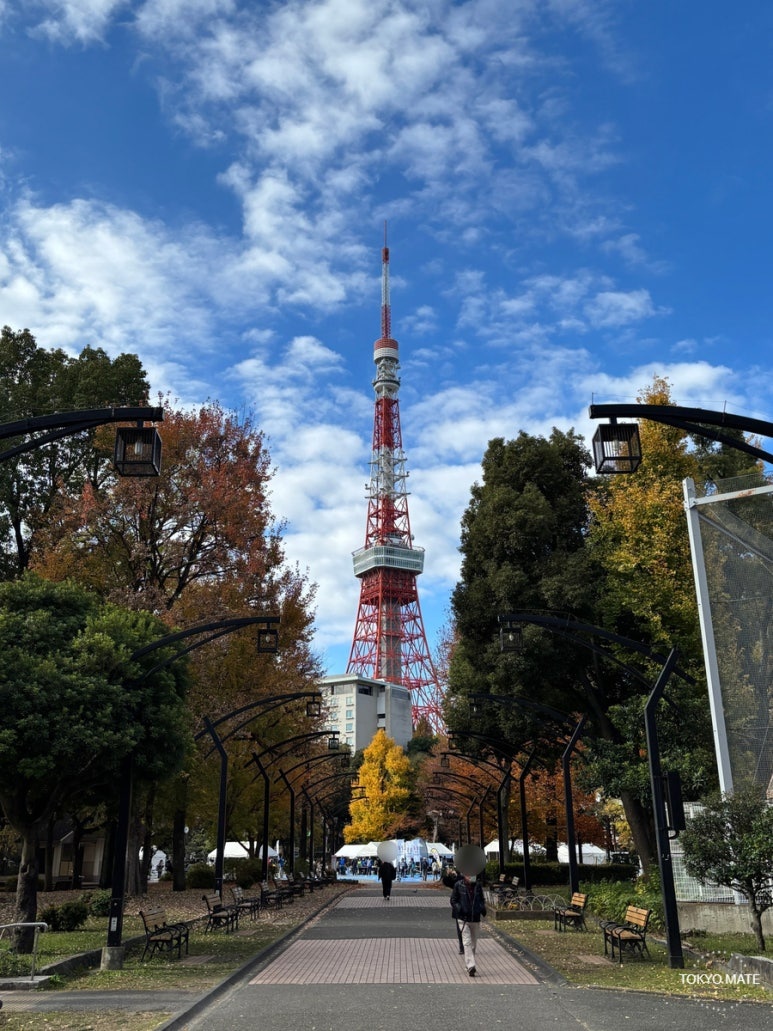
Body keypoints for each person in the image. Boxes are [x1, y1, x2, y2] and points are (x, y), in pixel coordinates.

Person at [450, 873, 487, 976]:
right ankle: (471, 966)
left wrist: (481, 908)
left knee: (473, 944)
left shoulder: (478, 886)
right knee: (467, 942)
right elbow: (453, 900)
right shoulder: (458, 885)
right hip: (463, 918)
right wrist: (459, 909)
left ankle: (468, 964)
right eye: (468, 874)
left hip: (475, 918)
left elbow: (482, 899)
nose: (471, 876)